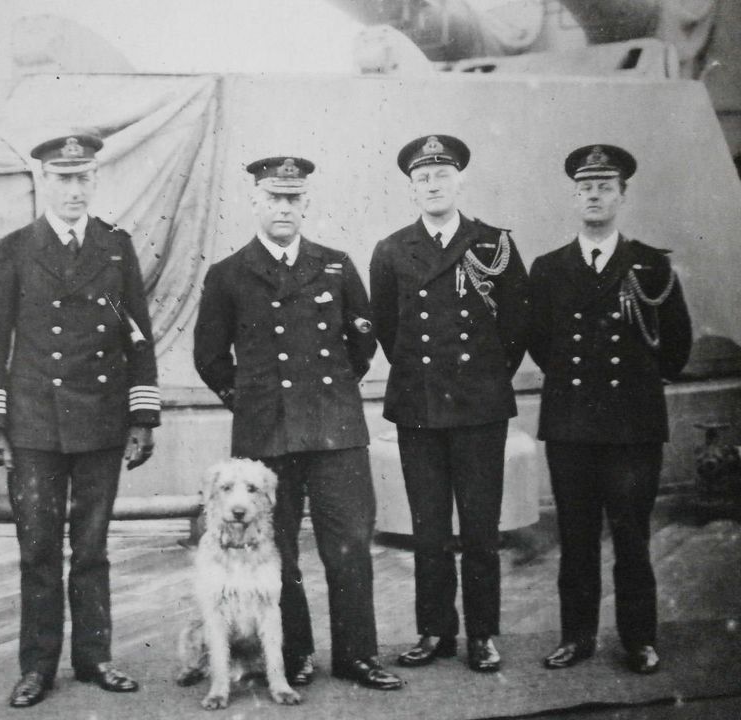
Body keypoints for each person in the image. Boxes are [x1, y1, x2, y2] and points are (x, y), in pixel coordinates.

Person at [193, 156, 403, 691]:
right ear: (255, 202)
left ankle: (358, 656)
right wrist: (252, 401)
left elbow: (362, 343)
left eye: (293, 198)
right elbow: (209, 357)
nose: (283, 208)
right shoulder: (227, 274)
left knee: (349, 546)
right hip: (266, 438)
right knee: (277, 551)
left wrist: (329, 396)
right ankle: (295, 654)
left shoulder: (335, 265)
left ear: (305, 203)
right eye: (273, 198)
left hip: (336, 432)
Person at [0, 134, 160, 708]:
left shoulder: (115, 248)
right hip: (35, 424)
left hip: (100, 420)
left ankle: (95, 657)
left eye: (83, 178)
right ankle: (37, 667)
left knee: (93, 548)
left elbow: (135, 332)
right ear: (44, 182)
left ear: (94, 181)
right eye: (63, 179)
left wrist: (142, 416)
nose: (74, 190)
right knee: (39, 551)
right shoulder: (15, 249)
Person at [529, 144, 692, 674]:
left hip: (632, 428)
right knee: (576, 540)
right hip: (571, 425)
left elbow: (676, 347)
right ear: (574, 198)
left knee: (632, 538)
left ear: (622, 196)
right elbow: (539, 342)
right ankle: (576, 639)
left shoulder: (651, 265)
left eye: (605, 187)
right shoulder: (548, 268)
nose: (594, 196)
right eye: (585, 188)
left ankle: (639, 640)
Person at [370, 135, 529, 673]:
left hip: (480, 410)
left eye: (442, 175)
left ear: (459, 181)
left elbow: (516, 325)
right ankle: (435, 630)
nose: (432, 184)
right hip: (419, 409)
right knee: (428, 531)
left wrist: (481, 379)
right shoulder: (391, 250)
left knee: (481, 532)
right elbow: (389, 330)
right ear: (411, 189)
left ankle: (482, 634)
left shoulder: (493, 244)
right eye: (422, 178)